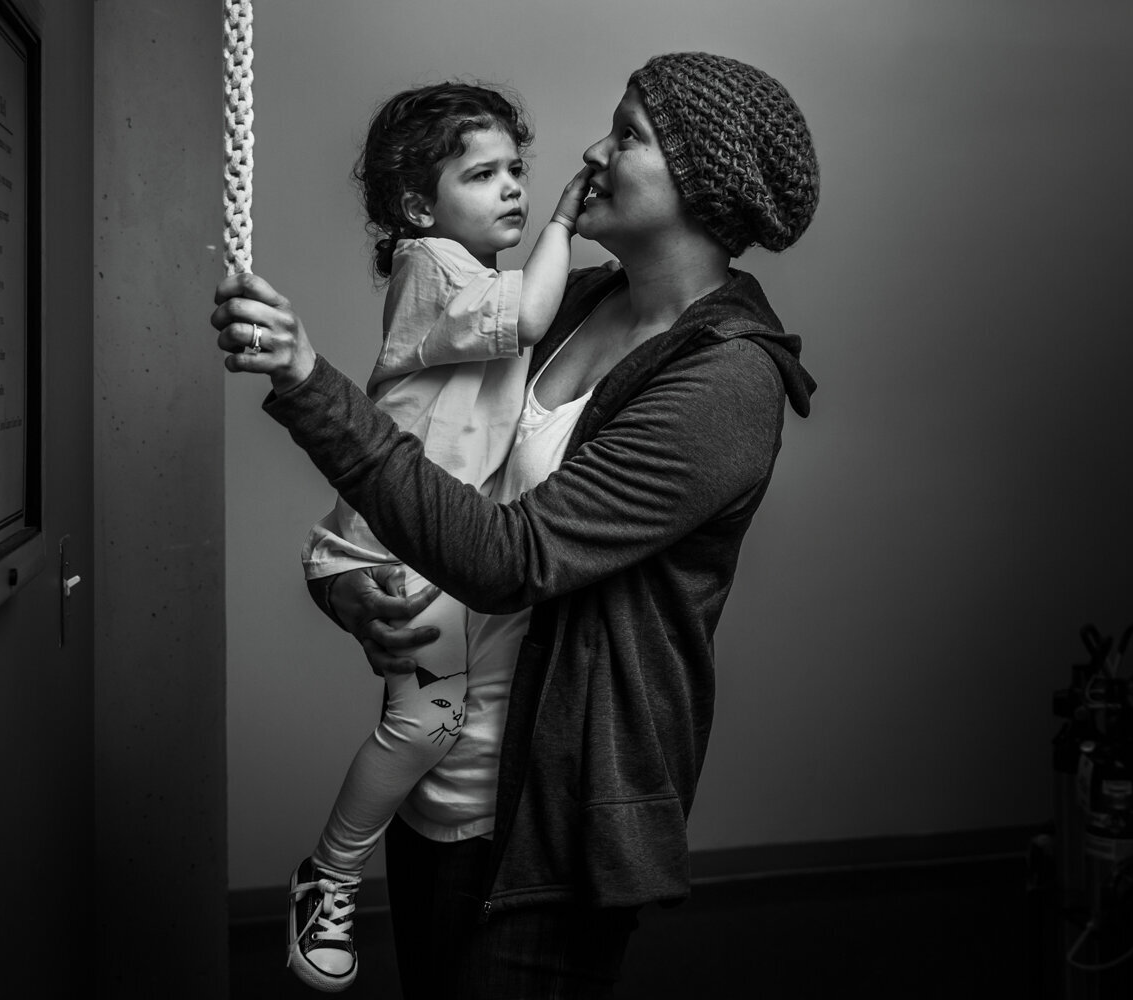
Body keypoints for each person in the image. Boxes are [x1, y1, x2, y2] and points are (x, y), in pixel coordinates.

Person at [213, 52, 820, 999]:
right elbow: (434, 462)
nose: (592, 151)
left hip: (548, 834)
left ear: (702, 178)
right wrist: (343, 588)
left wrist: (306, 381)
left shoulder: (726, 384)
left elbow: (510, 557)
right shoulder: (571, 307)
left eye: (629, 135)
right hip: (435, 793)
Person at [284, 82, 591, 991]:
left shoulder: (463, 272)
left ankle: (337, 871)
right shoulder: (436, 266)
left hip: (420, 537)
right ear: (419, 206)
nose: (513, 190)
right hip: (401, 540)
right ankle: (330, 871)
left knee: (430, 718)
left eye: (519, 172)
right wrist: (567, 222)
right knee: (428, 719)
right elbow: (533, 314)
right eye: (483, 173)